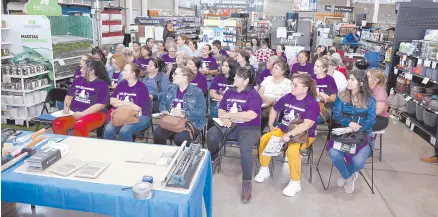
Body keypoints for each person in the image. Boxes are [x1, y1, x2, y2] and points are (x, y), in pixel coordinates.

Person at [255, 73, 319, 197]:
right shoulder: (288, 97)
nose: (292, 87)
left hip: (304, 135)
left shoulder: (312, 103)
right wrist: (271, 124)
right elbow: (274, 109)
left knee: (292, 151)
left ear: (305, 89)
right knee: (264, 138)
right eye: (292, 84)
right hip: (284, 129)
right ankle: (264, 169)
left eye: (295, 85)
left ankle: (295, 182)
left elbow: (306, 125)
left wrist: (289, 135)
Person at [206, 66, 262, 203]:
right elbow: (221, 109)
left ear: (246, 80)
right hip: (228, 124)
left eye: (238, 77)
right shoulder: (229, 91)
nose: (235, 78)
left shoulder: (253, 94)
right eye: (235, 75)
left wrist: (229, 114)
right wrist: (224, 118)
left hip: (249, 128)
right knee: (211, 135)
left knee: (245, 148)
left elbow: (250, 115)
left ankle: (247, 182)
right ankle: (214, 158)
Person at [329, 70, 376, 194]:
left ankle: (346, 174)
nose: (348, 81)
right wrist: (349, 124)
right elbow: (336, 115)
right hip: (344, 134)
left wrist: (358, 127)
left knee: (358, 162)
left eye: (351, 79)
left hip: (364, 135)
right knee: (334, 154)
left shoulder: (370, 100)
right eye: (349, 78)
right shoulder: (341, 96)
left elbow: (371, 119)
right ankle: (349, 177)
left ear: (360, 83)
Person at [52, 59, 111, 137]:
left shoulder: (102, 84)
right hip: (74, 113)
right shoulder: (78, 80)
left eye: (83, 68)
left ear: (92, 71)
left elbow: (100, 105)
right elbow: (69, 96)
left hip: (96, 114)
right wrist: (66, 107)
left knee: (80, 125)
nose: (80, 70)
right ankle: (64, 144)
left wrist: (83, 114)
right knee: (58, 123)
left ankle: (81, 147)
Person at [153, 66, 206, 147]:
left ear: (185, 78)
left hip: (191, 122)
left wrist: (184, 114)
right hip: (172, 119)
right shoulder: (170, 88)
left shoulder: (197, 92)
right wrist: (164, 110)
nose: (172, 75)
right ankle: (162, 155)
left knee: (180, 139)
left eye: (175, 74)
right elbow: (162, 104)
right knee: (157, 134)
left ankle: (186, 157)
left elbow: (201, 112)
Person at [104, 63, 151, 142]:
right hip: (122, 114)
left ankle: (127, 152)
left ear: (133, 74)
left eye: (125, 70)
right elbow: (112, 101)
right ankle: (110, 150)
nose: (122, 72)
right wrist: (129, 104)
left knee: (124, 131)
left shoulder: (141, 87)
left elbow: (137, 108)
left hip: (140, 116)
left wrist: (119, 102)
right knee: (108, 130)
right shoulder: (122, 84)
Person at [259, 60, 292, 130]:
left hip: (276, 105)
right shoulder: (268, 78)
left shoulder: (288, 83)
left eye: (276, 68)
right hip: (263, 102)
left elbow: (287, 99)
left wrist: (272, 102)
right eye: (273, 68)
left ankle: (261, 132)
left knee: (267, 111)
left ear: (283, 71)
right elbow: (260, 93)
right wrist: (268, 100)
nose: (273, 70)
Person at [314, 57, 338, 124]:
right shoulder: (311, 79)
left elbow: (333, 99)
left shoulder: (330, 80)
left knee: (312, 120)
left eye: (318, 66)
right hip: (312, 106)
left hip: (325, 108)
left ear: (324, 69)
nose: (315, 68)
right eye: (315, 65)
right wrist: (320, 94)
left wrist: (323, 96)